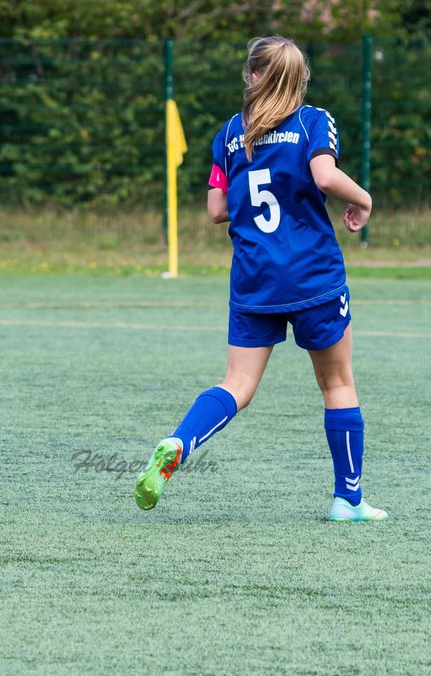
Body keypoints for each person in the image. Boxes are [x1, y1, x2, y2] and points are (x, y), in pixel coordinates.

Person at [135, 35, 386, 522]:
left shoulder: (230, 132)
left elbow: (215, 209)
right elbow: (325, 176)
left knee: (237, 385)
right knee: (337, 384)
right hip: (313, 275)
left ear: (252, 76)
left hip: (254, 277)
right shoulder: (314, 120)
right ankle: (348, 500)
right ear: (300, 79)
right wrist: (365, 200)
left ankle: (180, 442)